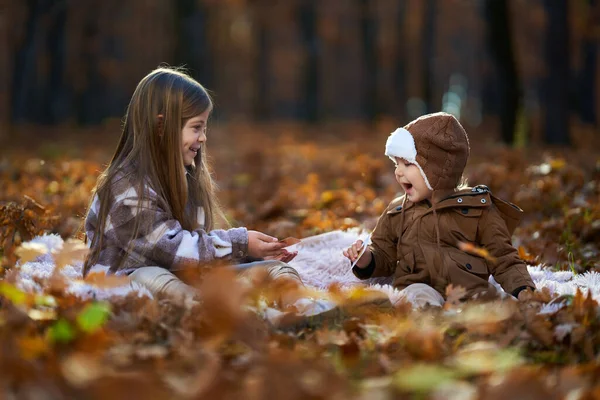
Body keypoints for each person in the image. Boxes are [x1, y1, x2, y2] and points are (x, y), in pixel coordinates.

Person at [82, 67, 335, 324]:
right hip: (127, 281)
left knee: (275, 271)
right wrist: (240, 243)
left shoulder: (186, 177)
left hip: (185, 276)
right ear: (161, 127)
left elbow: (198, 248)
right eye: (196, 127)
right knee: (154, 279)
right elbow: (171, 248)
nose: (203, 137)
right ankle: (245, 318)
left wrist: (253, 255)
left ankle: (305, 310)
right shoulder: (125, 186)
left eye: (204, 128)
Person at [343, 112, 535, 308]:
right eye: (397, 163)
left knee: (489, 304)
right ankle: (430, 323)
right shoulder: (397, 211)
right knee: (416, 296)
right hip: (419, 288)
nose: (398, 172)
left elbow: (503, 257)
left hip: (468, 291)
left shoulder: (478, 209)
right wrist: (366, 258)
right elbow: (383, 252)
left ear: (437, 169)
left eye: (408, 164)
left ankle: (476, 323)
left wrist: (524, 290)